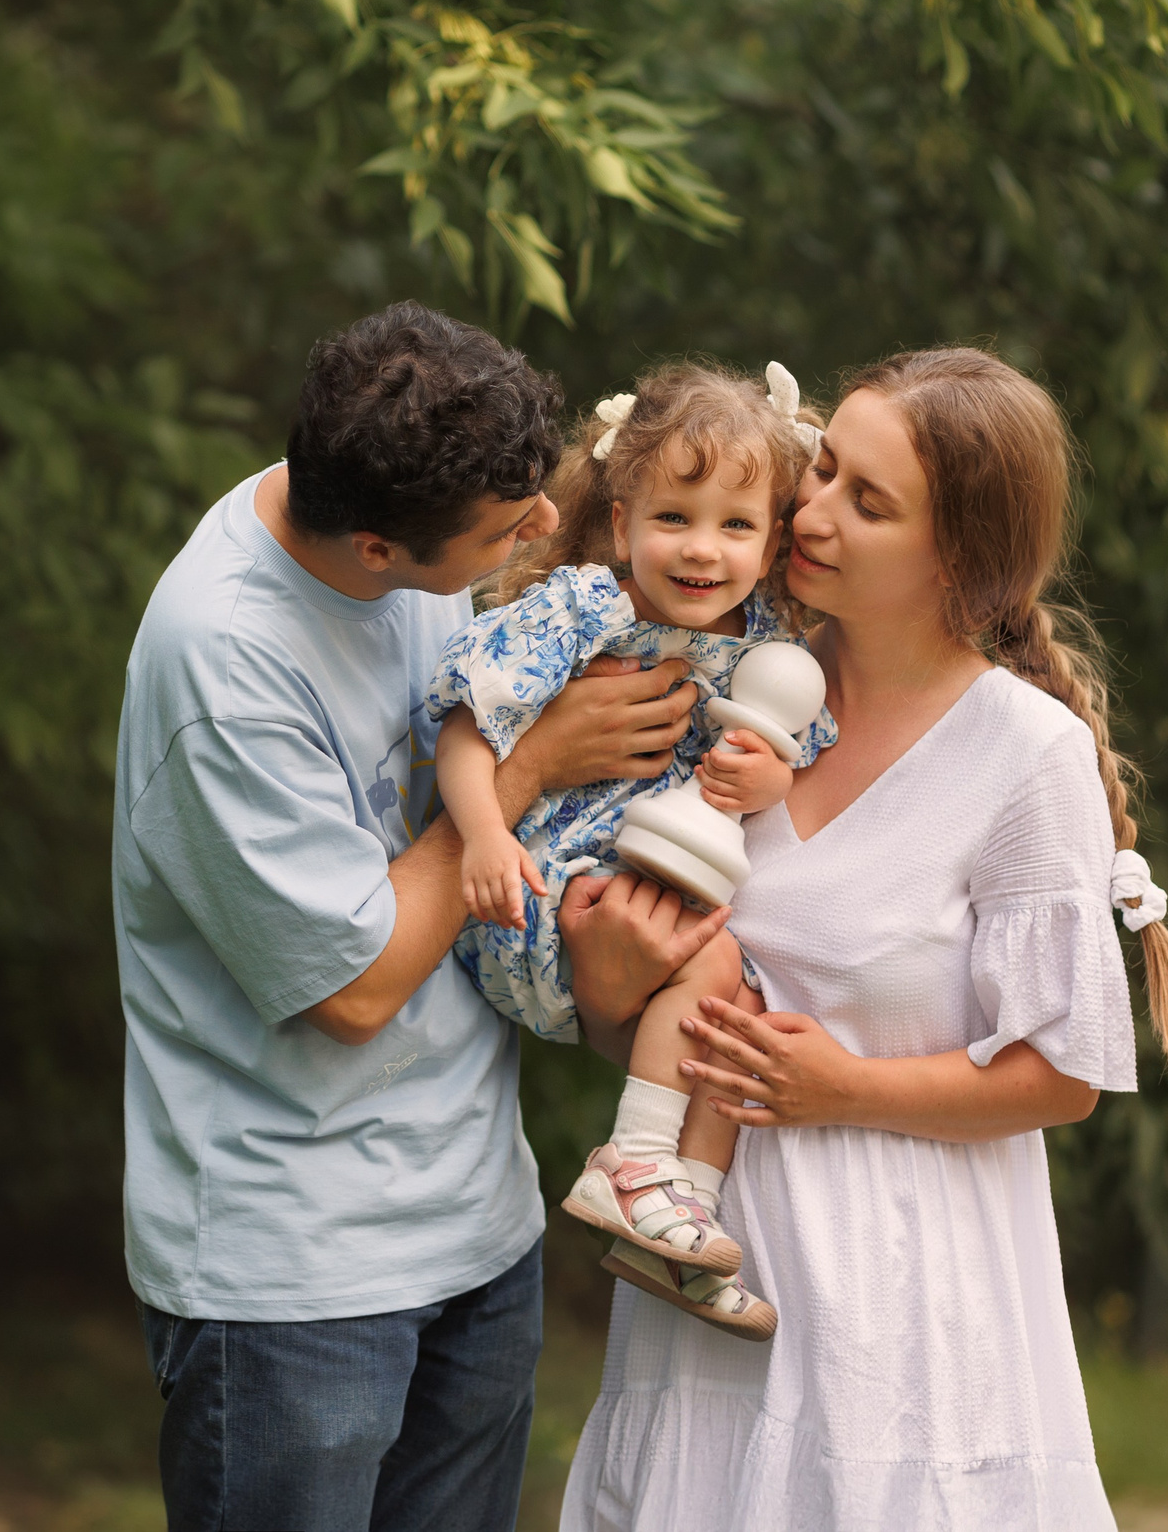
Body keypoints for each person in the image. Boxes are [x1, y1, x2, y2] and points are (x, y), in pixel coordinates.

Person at [556, 346, 1168, 1530]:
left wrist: (842, 1086)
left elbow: (1059, 1078)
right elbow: (688, 1024)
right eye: (823, 474)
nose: (810, 513)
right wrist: (605, 992)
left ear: (957, 555)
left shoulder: (1023, 758)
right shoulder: (720, 688)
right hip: (701, 1276)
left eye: (868, 500)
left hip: (901, 1311)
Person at [113, 301, 709, 1532]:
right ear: (378, 549)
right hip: (294, 1277)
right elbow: (356, 987)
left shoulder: (407, 498)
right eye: (508, 527)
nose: (547, 525)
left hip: (476, 1229)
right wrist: (531, 766)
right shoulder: (224, 662)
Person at [423, 361, 832, 1339]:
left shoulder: (771, 644)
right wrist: (481, 831)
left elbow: (793, 758)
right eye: (674, 518)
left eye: (735, 525)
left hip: (652, 888)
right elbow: (467, 726)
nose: (702, 550)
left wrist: (762, 780)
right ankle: (634, 1162)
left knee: (748, 1005)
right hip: (538, 894)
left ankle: (678, 1220)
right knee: (724, 958)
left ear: (773, 536)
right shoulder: (581, 610)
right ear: (618, 521)